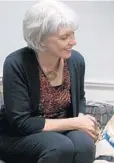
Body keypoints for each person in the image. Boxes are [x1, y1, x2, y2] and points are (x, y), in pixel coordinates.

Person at [0, 1, 98, 163]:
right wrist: (76, 122)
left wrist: (83, 120)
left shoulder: (76, 61)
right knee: (60, 147)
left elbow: (80, 97)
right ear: (41, 40)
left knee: (84, 144)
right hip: (18, 136)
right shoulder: (16, 63)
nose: (73, 41)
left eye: (73, 33)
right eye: (64, 37)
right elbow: (22, 123)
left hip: (63, 131)